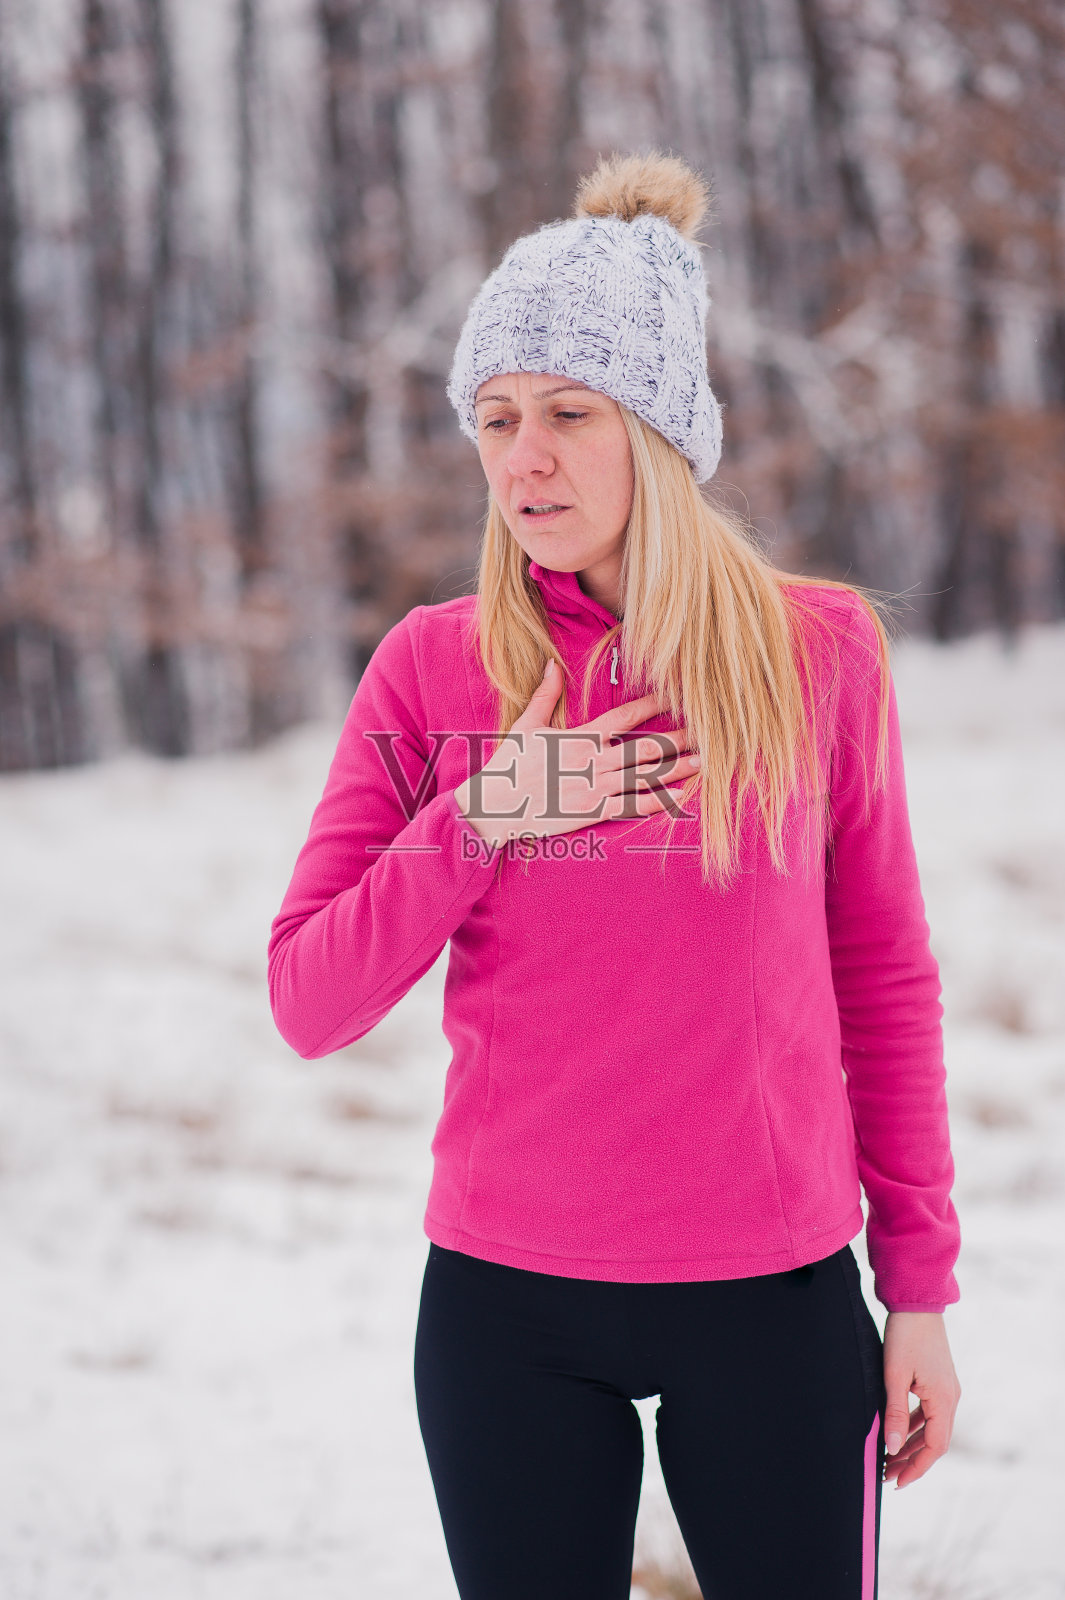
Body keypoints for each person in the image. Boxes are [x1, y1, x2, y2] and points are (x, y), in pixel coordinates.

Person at [268, 151, 962, 1600]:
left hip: (770, 1302)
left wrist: (920, 1294)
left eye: (568, 416)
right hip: (506, 1307)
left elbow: (881, 974)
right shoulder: (434, 666)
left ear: (659, 433)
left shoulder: (813, 651)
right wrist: (484, 813)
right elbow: (310, 1000)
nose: (522, 458)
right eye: (495, 418)